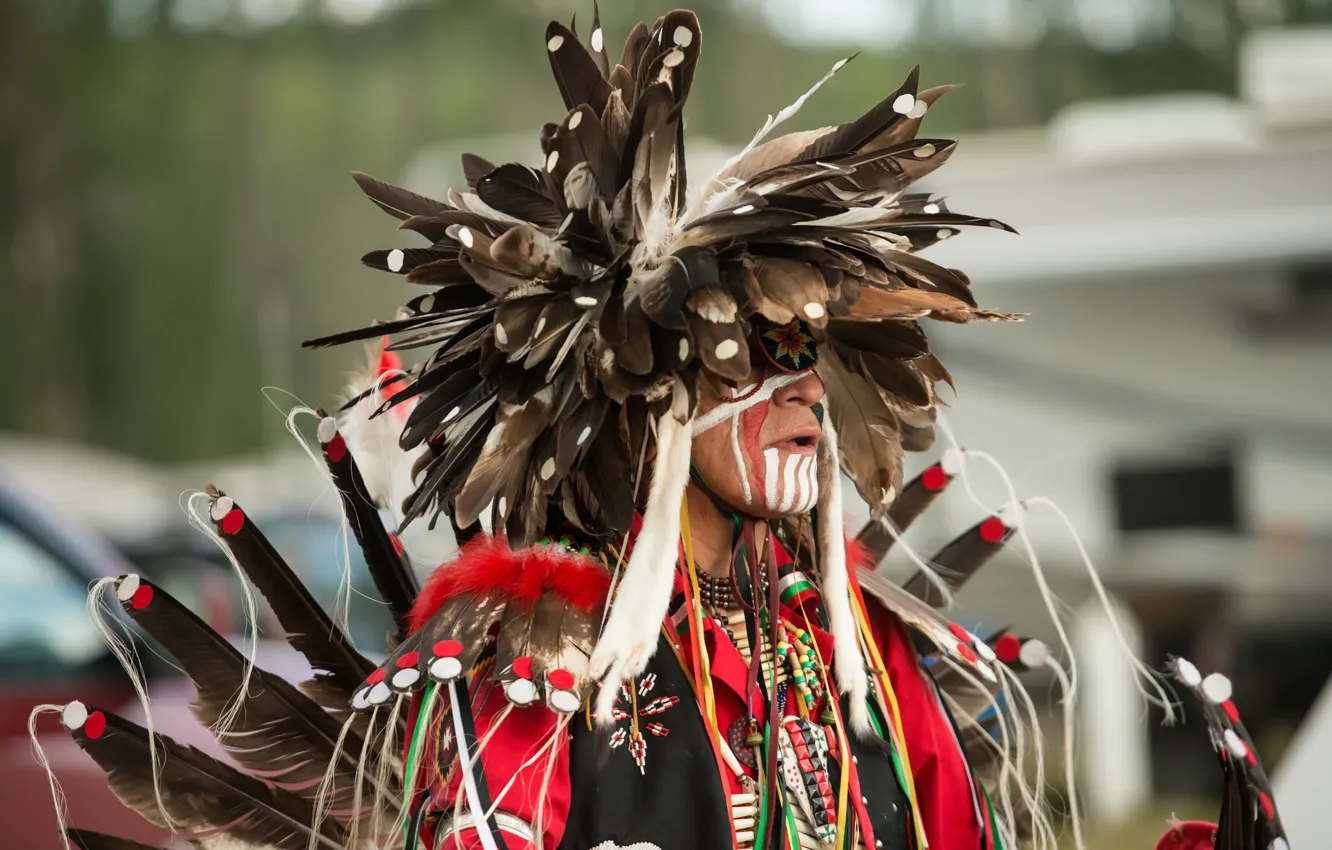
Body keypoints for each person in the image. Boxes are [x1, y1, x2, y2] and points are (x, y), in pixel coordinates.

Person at [39, 7, 1289, 850]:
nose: (812, 391)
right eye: (777, 354)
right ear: (655, 400)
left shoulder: (867, 668)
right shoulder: (538, 683)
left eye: (830, 363)